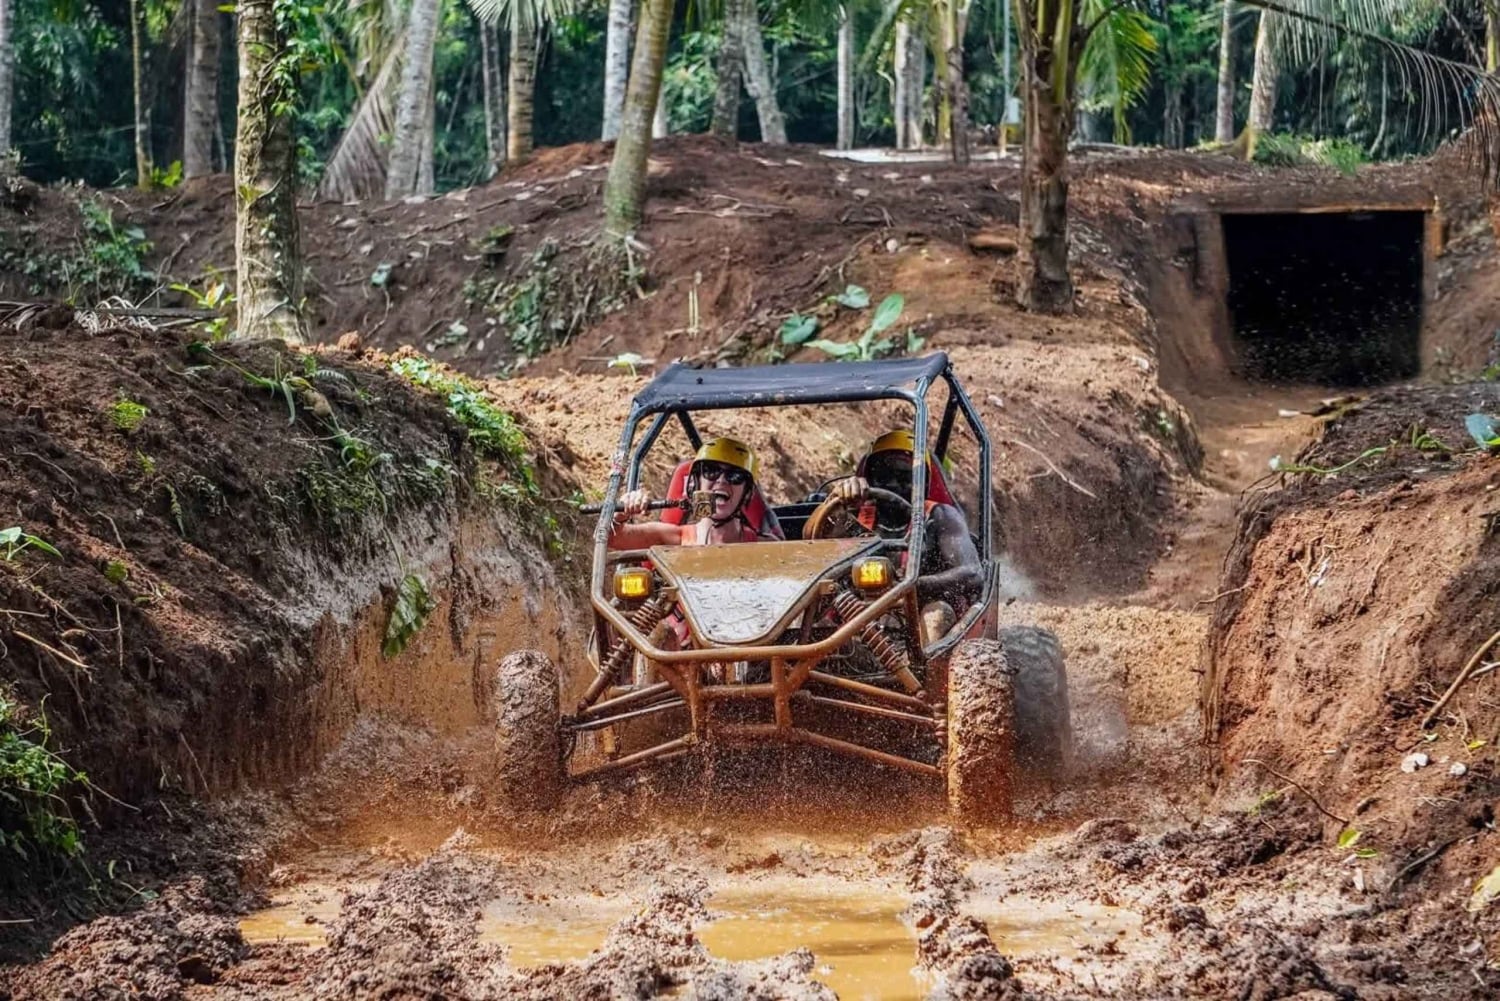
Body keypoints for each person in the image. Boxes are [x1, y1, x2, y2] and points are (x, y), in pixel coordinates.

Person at [828, 429, 983, 643]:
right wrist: (836, 503)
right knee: (821, 621)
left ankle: (927, 666)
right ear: (869, 480)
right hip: (860, 613)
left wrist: (910, 586)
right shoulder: (854, 517)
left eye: (904, 477)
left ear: (924, 483)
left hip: (921, 611)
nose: (893, 485)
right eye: (884, 476)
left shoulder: (940, 515)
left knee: (937, 615)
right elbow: (818, 556)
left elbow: (972, 572)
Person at [607, 436, 773, 549]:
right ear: (695, 483)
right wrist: (620, 515)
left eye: (735, 476)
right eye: (711, 471)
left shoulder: (766, 547)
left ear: (747, 492)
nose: (722, 480)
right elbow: (609, 539)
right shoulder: (673, 539)